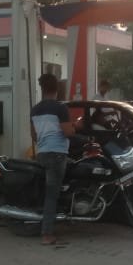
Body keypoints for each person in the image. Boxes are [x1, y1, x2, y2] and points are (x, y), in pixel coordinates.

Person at [30, 73, 75, 247]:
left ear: (42, 89)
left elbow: (34, 136)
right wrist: (76, 127)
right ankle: (47, 234)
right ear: (57, 89)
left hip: (42, 154)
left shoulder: (35, 109)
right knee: (51, 195)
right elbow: (68, 132)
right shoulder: (60, 108)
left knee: (47, 192)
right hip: (56, 154)